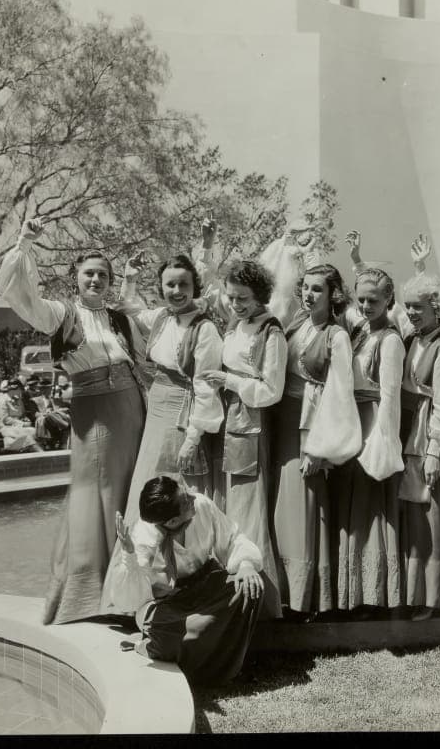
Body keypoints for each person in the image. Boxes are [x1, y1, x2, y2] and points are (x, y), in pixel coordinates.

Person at [0, 216, 147, 625]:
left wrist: (131, 281)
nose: (95, 280)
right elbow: (20, 293)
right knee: (95, 491)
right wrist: (25, 241)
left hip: (132, 407)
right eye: (88, 274)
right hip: (93, 411)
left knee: (127, 487)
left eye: (102, 275)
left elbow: (145, 326)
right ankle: (88, 594)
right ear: (75, 278)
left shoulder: (119, 319)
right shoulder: (61, 314)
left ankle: (131, 589)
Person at [100, 476, 267, 685]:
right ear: (172, 521)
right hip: (169, 605)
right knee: (168, 630)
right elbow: (130, 599)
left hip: (207, 591)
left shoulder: (202, 504)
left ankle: (204, 653)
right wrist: (129, 557)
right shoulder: (144, 533)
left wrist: (246, 566)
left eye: (185, 492)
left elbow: (232, 538)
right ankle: (169, 644)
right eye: (186, 500)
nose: (192, 497)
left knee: (248, 588)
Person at [195, 258, 287, 620]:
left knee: (247, 511)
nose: (235, 304)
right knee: (228, 507)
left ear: (260, 295)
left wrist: (229, 381)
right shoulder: (238, 323)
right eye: (232, 297)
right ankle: (227, 597)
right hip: (228, 418)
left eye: (243, 298)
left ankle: (258, 607)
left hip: (249, 421)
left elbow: (272, 390)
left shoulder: (271, 332)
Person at [270, 261, 362, 620]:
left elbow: (338, 396)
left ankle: (307, 598)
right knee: (281, 505)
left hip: (310, 427)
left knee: (304, 506)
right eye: (305, 288)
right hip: (282, 421)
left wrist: (316, 447)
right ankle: (282, 591)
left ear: (333, 294)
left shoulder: (337, 336)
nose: (309, 295)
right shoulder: (297, 323)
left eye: (317, 289)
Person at [119, 254, 226, 523]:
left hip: (180, 416)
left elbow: (205, 388)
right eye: (170, 285)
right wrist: (130, 278)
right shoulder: (161, 318)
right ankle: (143, 554)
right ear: (161, 288)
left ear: (194, 287)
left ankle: (179, 556)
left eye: (183, 285)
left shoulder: (205, 329)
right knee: (149, 478)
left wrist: (192, 439)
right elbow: (128, 309)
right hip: (156, 410)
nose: (176, 291)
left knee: (172, 484)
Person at [333, 266, 406, 615]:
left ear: (389, 300)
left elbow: (391, 396)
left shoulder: (390, 340)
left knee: (371, 506)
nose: (364, 305)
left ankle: (375, 593)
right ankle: (353, 591)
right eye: (360, 299)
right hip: (354, 419)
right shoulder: (361, 330)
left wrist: (382, 439)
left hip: (374, 422)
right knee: (353, 506)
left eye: (373, 300)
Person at [397, 274, 440, 620]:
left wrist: (435, 451)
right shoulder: (412, 338)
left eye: (418, 307)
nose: (411, 312)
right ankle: (412, 592)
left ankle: (433, 596)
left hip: (426, 432)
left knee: (431, 511)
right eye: (408, 306)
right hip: (407, 426)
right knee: (413, 512)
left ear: (435, 308)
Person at [0, 379, 42, 453]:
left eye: (17, 389)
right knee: (31, 433)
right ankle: (41, 454)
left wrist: (26, 419)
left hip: (18, 426)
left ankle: (37, 453)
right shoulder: (2, 400)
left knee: (36, 432)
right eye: (13, 389)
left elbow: (22, 414)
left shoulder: (18, 399)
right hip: (6, 427)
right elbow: (5, 419)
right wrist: (22, 424)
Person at [26, 376, 71, 450]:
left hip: (56, 420)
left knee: (56, 414)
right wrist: (46, 413)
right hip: (43, 420)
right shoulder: (34, 400)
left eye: (47, 388)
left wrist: (55, 411)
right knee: (50, 416)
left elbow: (62, 409)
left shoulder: (55, 399)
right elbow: (35, 414)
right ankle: (66, 426)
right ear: (40, 389)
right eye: (43, 388)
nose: (46, 390)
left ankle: (64, 431)